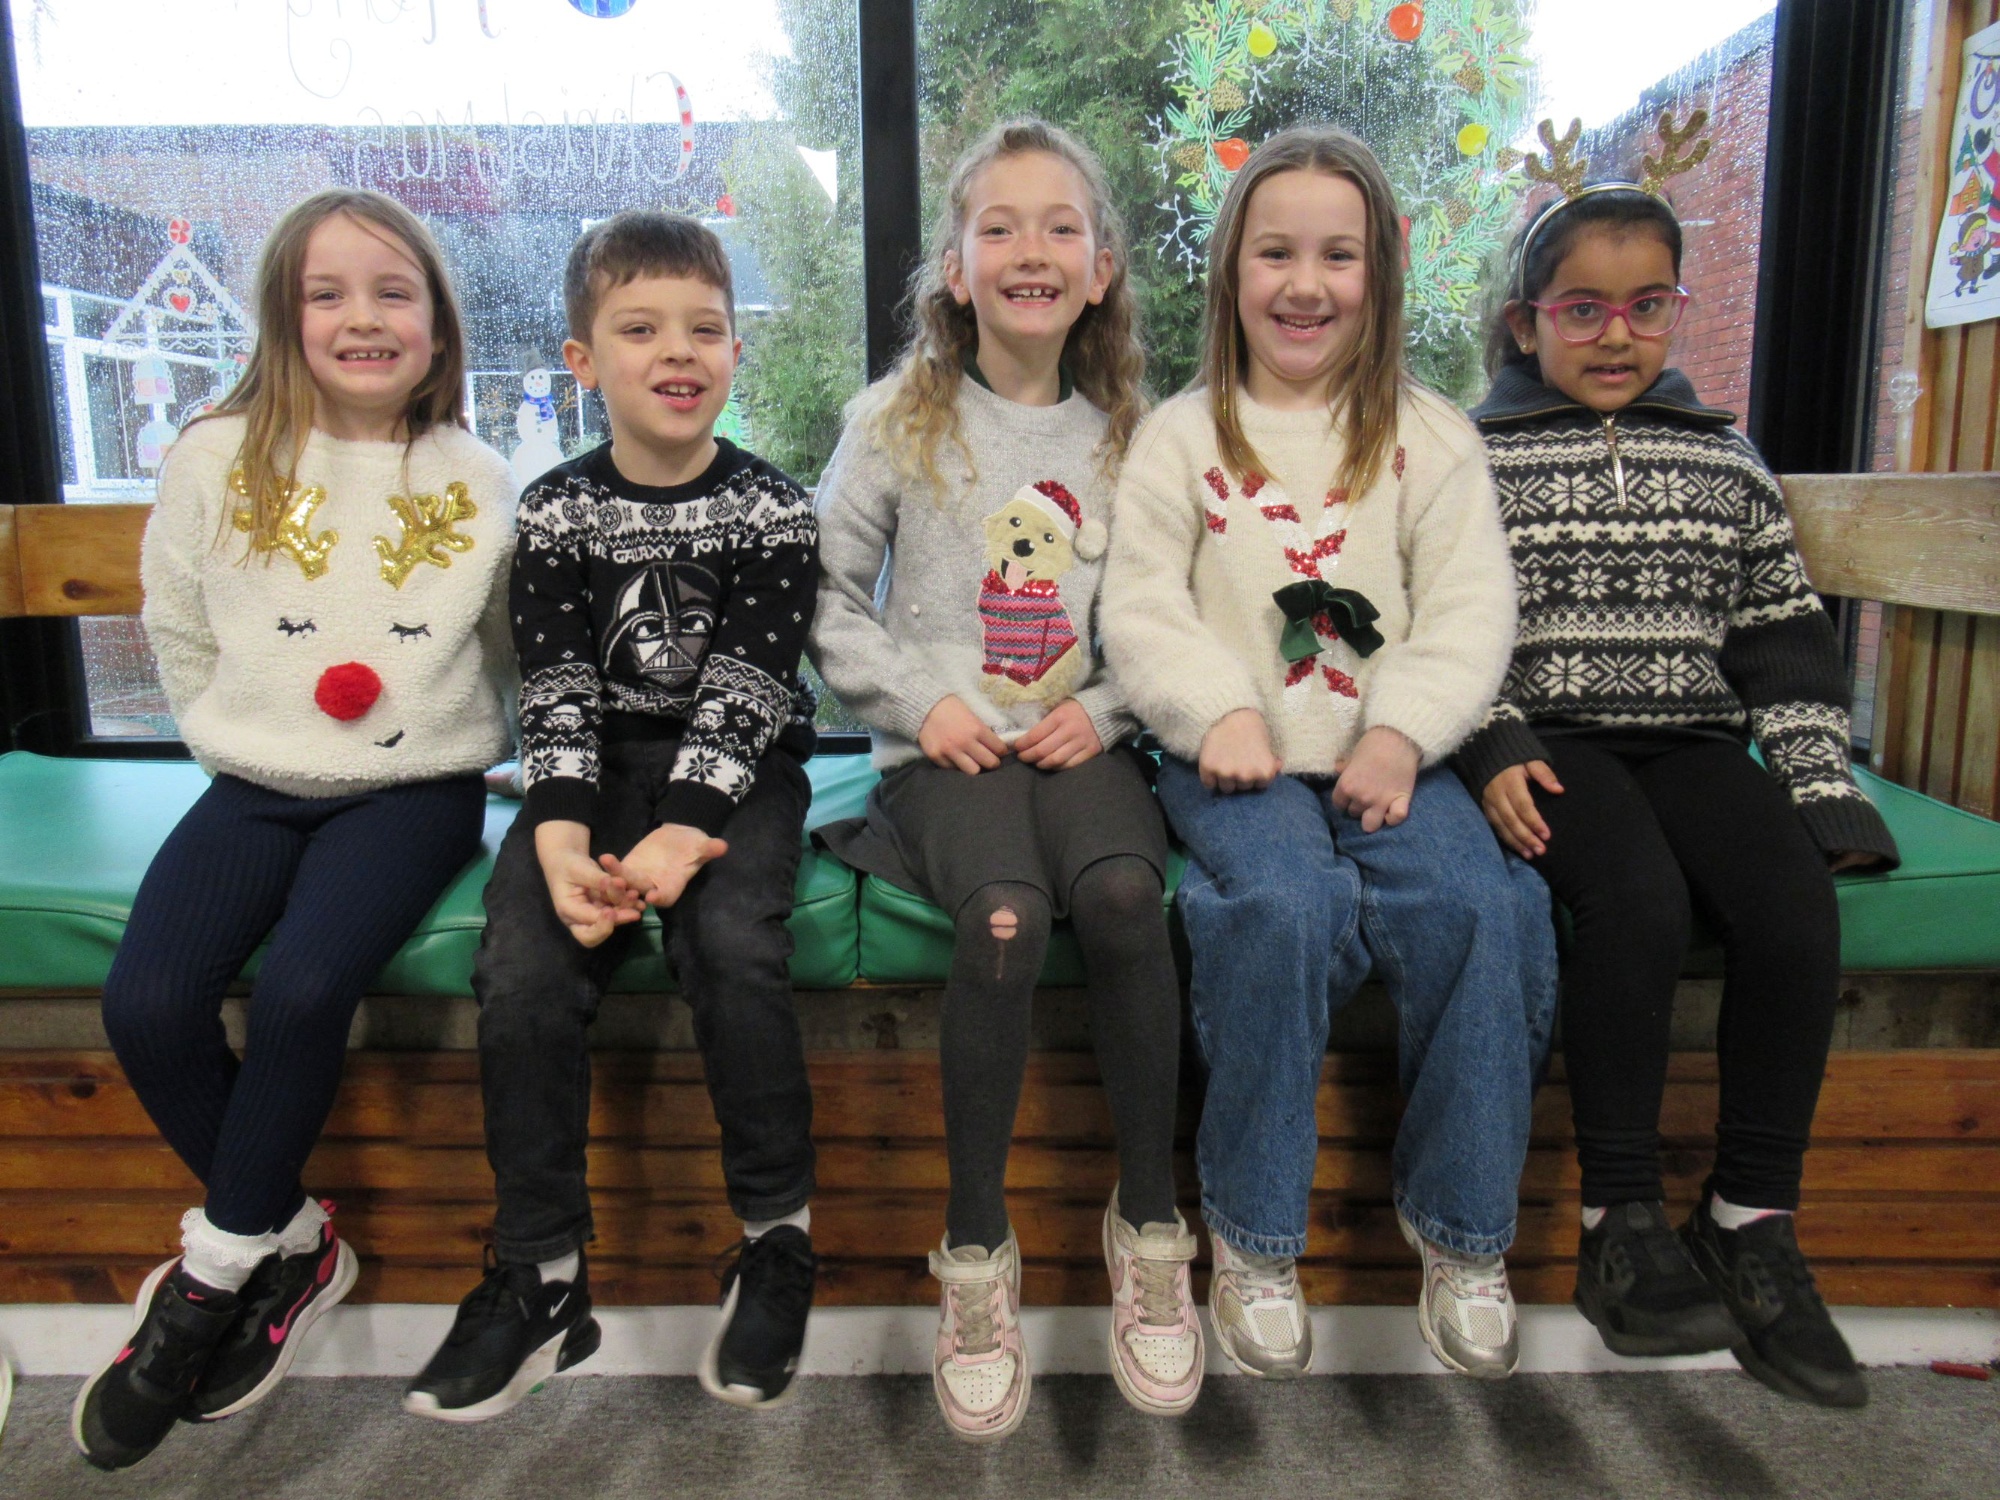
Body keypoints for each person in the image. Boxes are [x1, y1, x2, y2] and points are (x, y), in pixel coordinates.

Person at [1101, 125, 1557, 1384]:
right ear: (1231, 272)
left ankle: (1462, 1233)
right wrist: (1213, 711)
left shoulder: (1427, 437)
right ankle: (1249, 1238)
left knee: (1480, 902)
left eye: (1338, 255)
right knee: (1284, 906)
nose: (1305, 284)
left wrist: (1406, 731)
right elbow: (1139, 606)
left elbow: (1469, 610)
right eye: (1276, 253)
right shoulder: (1180, 437)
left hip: (1394, 755)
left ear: (1380, 274)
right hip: (1230, 759)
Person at [78, 189, 517, 1470]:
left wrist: (527, 779)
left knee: (307, 987)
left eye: (393, 294)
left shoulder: (476, 479)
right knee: (149, 1004)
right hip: (253, 780)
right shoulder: (216, 457)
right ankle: (294, 1238)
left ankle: (208, 1283)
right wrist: (231, 731)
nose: (361, 319)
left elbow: (502, 654)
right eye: (328, 295)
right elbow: (177, 625)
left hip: (414, 789)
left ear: (436, 325)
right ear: (284, 317)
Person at [1458, 144, 1899, 1407]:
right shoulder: (1475, 458)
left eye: (1644, 306)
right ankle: (1620, 1221)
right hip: (1555, 737)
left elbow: (1777, 638)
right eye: (1581, 309)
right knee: (1636, 905)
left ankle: (1751, 1216)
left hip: (1694, 734)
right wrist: (1490, 743)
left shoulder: (1723, 457)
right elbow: (1443, 624)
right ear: (1524, 321)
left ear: (1673, 311)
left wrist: (1817, 787)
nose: (1614, 334)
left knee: (1788, 910)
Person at [810, 119, 1200, 1440]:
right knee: (1005, 920)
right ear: (957, 267)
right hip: (943, 756)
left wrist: (1102, 706)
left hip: (1081, 745)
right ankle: (975, 1248)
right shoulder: (894, 425)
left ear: (1101, 268)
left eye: (1059, 226)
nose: (1029, 247)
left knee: (1124, 901)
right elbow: (820, 600)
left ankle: (1149, 1224)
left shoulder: (1135, 441)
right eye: (999, 226)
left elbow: (1168, 616)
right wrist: (925, 700)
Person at [405, 211, 823, 1421]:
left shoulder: (771, 511)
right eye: (638, 329)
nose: (675, 351)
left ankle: (779, 1239)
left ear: (736, 353)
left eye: (705, 328)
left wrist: (685, 832)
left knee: (735, 946)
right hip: (589, 774)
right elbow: (554, 689)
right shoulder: (554, 513)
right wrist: (556, 834)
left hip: (738, 772)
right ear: (584, 359)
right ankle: (538, 1273)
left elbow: (749, 688)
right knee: (526, 965)